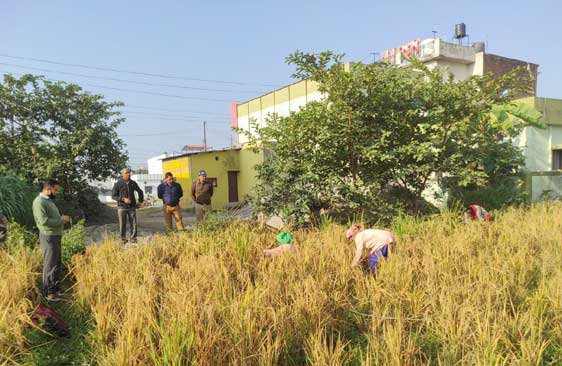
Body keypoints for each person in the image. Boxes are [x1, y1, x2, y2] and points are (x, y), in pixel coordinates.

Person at [32, 179, 70, 301]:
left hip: (55, 235)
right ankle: (49, 292)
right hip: (48, 237)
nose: (57, 192)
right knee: (50, 264)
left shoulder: (48, 201)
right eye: (55, 190)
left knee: (56, 262)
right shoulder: (39, 202)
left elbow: (51, 217)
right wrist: (61, 220)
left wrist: (60, 217)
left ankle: (55, 287)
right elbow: (43, 222)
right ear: (48, 189)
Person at [112, 168, 144, 243]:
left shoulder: (133, 183)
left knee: (133, 224)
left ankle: (133, 238)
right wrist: (123, 199)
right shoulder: (118, 184)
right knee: (122, 224)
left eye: (129, 173)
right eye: (126, 173)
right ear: (122, 174)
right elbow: (113, 196)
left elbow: (140, 191)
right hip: (121, 207)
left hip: (132, 207)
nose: (128, 174)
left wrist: (140, 201)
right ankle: (123, 239)